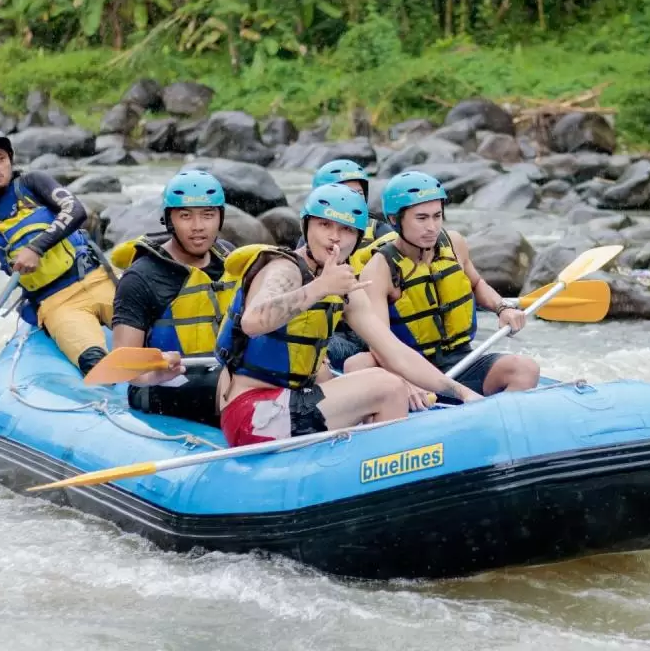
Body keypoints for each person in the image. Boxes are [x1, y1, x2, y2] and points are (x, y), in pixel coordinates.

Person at [212, 182, 482, 448]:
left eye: (346, 229)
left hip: (291, 403)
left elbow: (395, 353)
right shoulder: (284, 269)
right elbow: (252, 322)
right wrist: (319, 288)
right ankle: (385, 471)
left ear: (357, 238)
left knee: (388, 378)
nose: (334, 237)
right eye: (325, 225)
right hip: (252, 414)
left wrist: (461, 392)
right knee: (386, 386)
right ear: (307, 226)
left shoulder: (345, 287)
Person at [356, 171, 541, 397]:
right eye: (421, 218)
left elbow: (476, 284)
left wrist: (502, 308)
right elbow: (379, 343)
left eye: (437, 216)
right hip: (414, 372)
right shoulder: (379, 270)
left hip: (463, 361)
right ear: (394, 220)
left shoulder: (453, 243)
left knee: (525, 369)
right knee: (361, 362)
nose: (432, 227)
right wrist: (404, 383)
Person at [0, 126, 117, 374]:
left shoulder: (33, 184)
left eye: (1, 158)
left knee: (160, 332)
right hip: (57, 304)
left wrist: (36, 247)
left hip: (97, 278)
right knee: (95, 365)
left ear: (10, 161)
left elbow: (75, 210)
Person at [109, 167, 237, 425]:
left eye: (208, 215)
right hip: (159, 384)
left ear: (220, 218)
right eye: (186, 216)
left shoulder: (230, 259)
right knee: (242, 386)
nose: (198, 227)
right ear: (169, 220)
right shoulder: (141, 277)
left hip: (223, 372)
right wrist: (152, 374)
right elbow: (124, 365)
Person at [298, 159, 395, 371]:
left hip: (367, 322)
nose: (348, 201)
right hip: (334, 331)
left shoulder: (381, 232)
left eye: (358, 194)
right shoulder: (305, 251)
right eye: (340, 192)